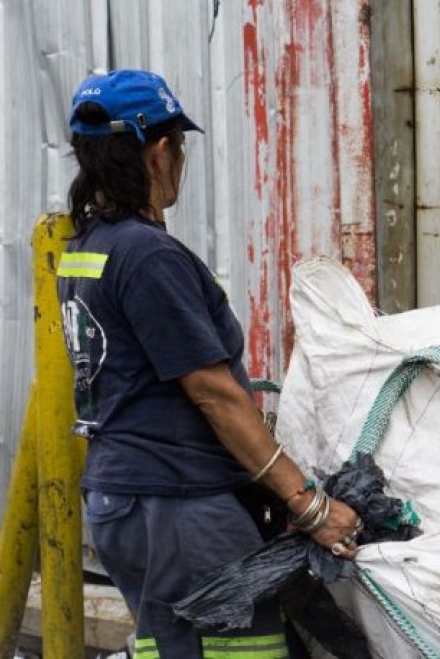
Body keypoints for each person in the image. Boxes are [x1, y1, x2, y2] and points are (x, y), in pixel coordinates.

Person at [58, 69, 361, 656]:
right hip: (178, 506)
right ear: (160, 149)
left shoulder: (85, 248)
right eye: (180, 146)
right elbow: (213, 392)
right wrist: (308, 503)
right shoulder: (148, 255)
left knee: (168, 648)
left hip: (124, 500)